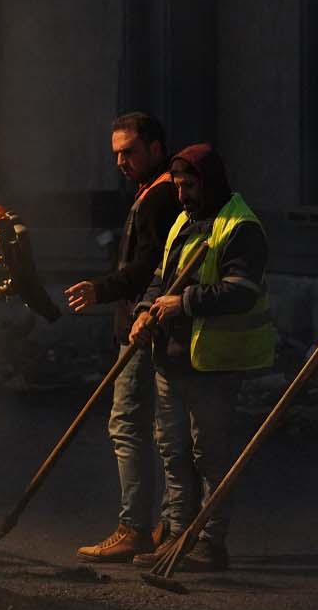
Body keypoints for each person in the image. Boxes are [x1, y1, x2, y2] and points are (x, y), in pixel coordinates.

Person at [129, 145, 274, 572]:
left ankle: (209, 543)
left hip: (213, 362)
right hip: (170, 357)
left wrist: (184, 303)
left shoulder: (241, 228)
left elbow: (241, 291)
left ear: (209, 182)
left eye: (189, 185)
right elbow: (161, 278)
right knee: (172, 450)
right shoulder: (183, 222)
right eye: (176, 186)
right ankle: (177, 536)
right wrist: (143, 312)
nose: (182, 195)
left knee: (208, 454)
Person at [62, 112, 185, 561]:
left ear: (156, 147)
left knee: (130, 423)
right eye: (116, 153)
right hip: (145, 323)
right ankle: (167, 526)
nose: (121, 161)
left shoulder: (161, 196)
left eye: (129, 151)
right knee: (160, 428)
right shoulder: (154, 191)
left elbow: (149, 269)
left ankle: (136, 527)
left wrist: (103, 289)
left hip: (146, 327)